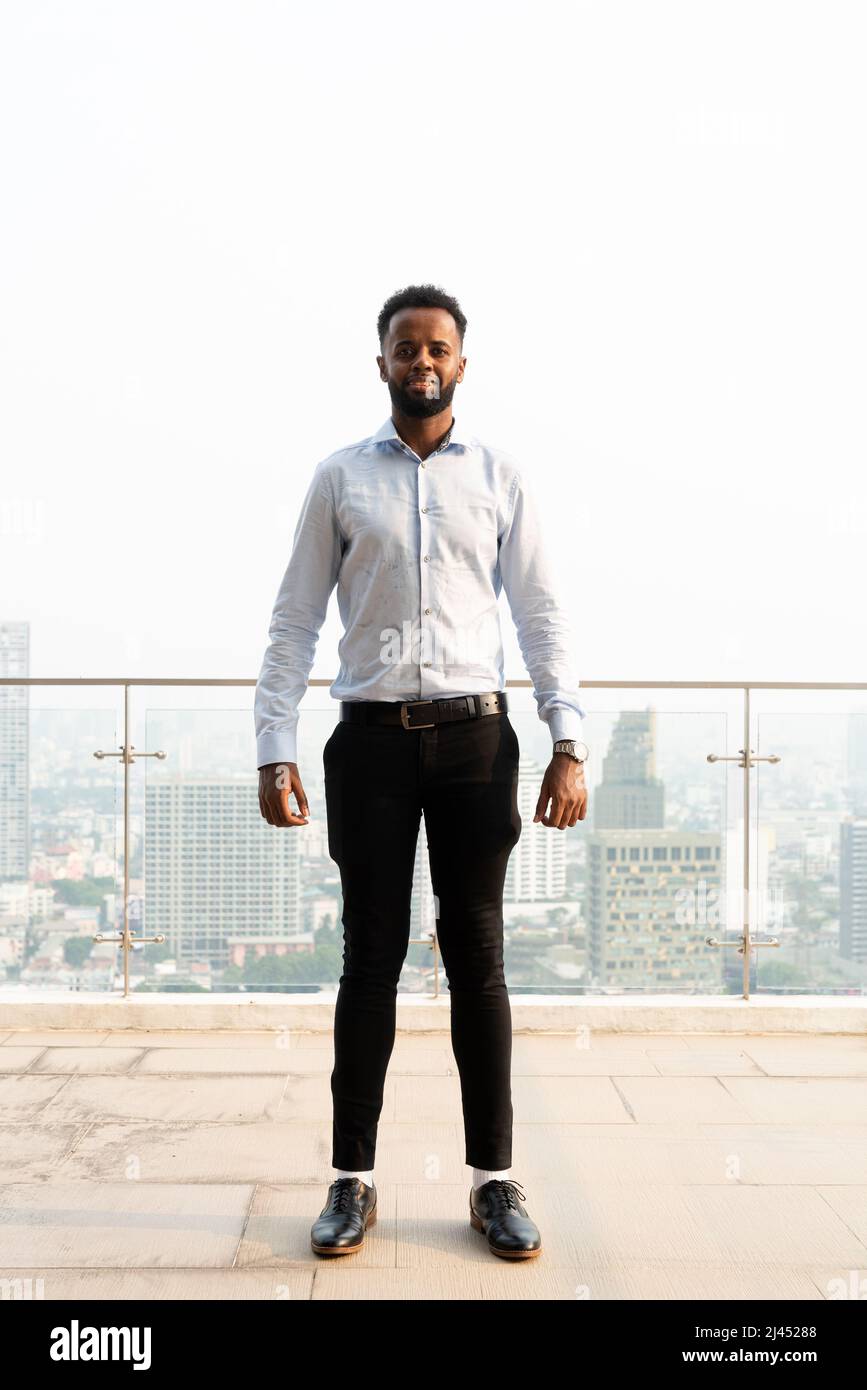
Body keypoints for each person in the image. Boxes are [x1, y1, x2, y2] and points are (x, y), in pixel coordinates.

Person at [255, 283, 589, 1261]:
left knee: (478, 959)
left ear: (460, 362)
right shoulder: (339, 479)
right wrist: (274, 742)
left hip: (475, 742)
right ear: (384, 362)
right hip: (370, 744)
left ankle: (493, 1182)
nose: (422, 361)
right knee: (369, 959)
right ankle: (351, 1181)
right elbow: (292, 620)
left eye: (438, 346)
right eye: (406, 348)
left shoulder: (498, 475)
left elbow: (541, 614)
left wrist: (567, 737)